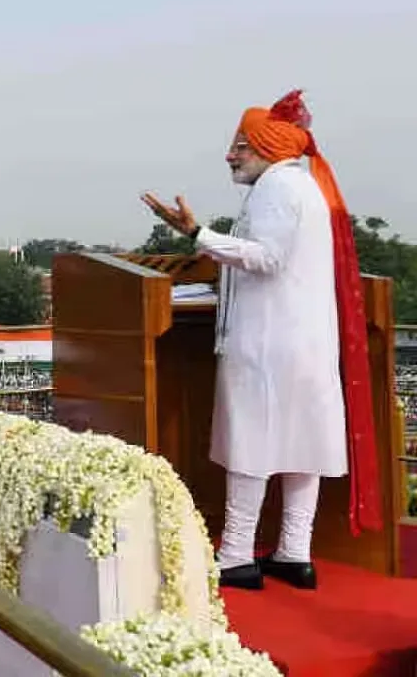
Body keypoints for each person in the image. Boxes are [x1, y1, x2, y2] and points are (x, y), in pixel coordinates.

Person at [141, 89, 379, 591]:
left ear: (269, 149)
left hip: (267, 343)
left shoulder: (276, 188)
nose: (230, 156)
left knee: (252, 444)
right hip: (305, 342)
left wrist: (197, 234)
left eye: (241, 147)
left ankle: (234, 556)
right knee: (302, 448)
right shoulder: (307, 187)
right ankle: (295, 553)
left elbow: (268, 257)